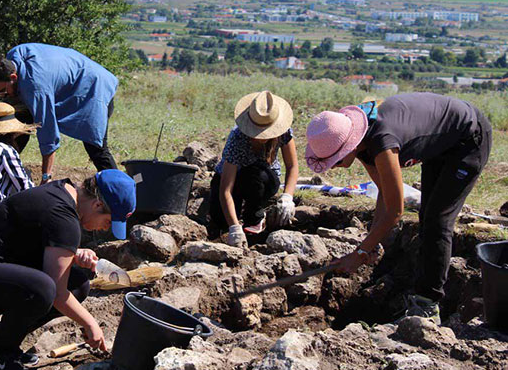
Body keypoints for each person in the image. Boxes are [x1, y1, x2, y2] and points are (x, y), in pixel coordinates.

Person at [305, 93, 492, 324]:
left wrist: (361, 253)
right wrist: (372, 244)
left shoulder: (381, 141)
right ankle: (423, 295)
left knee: (437, 220)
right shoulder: (362, 140)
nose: (335, 167)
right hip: (441, 145)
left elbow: (395, 210)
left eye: (336, 160)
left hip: (468, 137)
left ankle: (427, 306)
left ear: (348, 145)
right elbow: (384, 191)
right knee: (427, 216)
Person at [0, 169, 136, 370]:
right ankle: (1, 355)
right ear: (97, 205)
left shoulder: (62, 191)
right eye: (107, 221)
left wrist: (71, 252)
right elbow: (58, 294)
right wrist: (91, 324)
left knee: (77, 284)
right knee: (43, 289)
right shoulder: (64, 219)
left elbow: (35, 238)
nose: (104, 229)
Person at [0, 43, 119, 184]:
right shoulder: (15, 55)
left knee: (96, 148)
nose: (2, 96)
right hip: (78, 77)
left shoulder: (35, 88)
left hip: (94, 88)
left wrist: (45, 176)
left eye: (2, 91)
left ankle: (120, 192)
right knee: (19, 124)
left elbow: (48, 133)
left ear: (13, 77)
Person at [209, 91, 299, 248]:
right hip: (233, 179)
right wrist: (234, 228)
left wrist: (288, 197)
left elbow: (292, 166)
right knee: (220, 221)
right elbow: (226, 190)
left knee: (255, 176)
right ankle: (237, 221)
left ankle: (255, 217)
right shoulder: (237, 138)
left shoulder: (284, 132)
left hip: (262, 178)